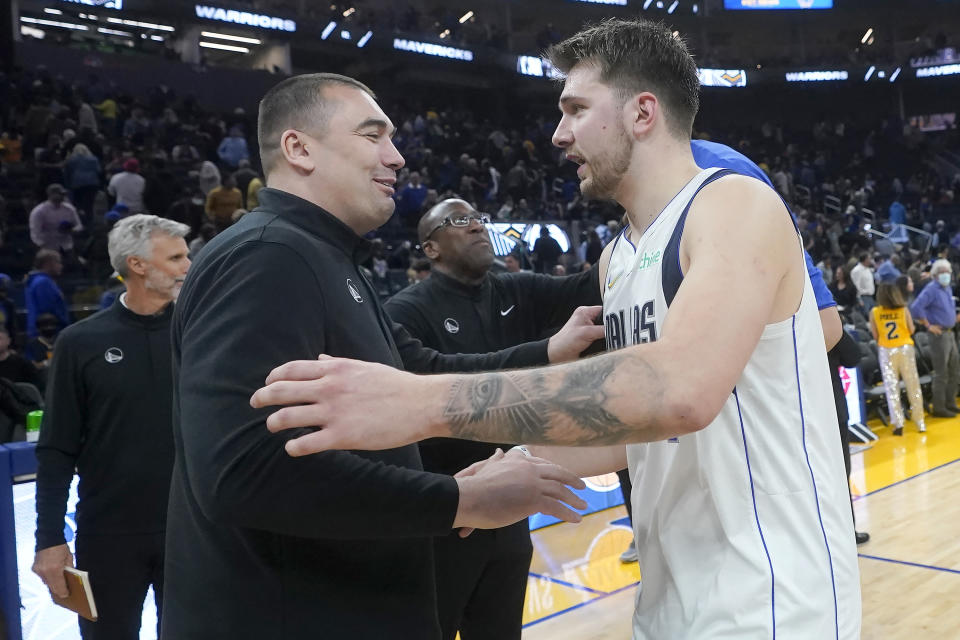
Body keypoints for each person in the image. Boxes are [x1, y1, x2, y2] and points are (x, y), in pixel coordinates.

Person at [252, 21, 862, 639]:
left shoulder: (733, 205)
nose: (558, 133)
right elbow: (630, 428)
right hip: (672, 593)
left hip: (773, 593)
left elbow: (678, 391)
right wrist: (505, 466)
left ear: (642, 113)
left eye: (575, 109)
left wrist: (421, 402)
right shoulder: (620, 256)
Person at [161, 72, 593, 640]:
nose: (396, 157)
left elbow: (418, 383)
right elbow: (242, 471)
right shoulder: (267, 256)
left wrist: (456, 471)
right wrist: (458, 500)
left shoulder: (327, 258)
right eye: (373, 136)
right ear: (299, 149)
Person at [384, 198, 602, 640]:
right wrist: (543, 353)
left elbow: (587, 286)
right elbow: (434, 378)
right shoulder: (405, 310)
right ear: (431, 248)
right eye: (460, 220)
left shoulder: (512, 288)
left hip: (511, 499)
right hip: (447, 505)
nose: (477, 227)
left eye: (481, 219)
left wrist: (641, 220)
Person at [32, 214, 191, 640]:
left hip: (194, 533)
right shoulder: (80, 343)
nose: (188, 266)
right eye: (176, 257)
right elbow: (56, 447)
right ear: (137, 265)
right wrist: (49, 538)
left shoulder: (204, 332)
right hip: (109, 536)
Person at [870, 282, 925, 435]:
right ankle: (920, 422)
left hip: (887, 350)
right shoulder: (903, 310)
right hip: (905, 348)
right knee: (913, 385)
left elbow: (875, 336)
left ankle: (898, 424)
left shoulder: (874, 312)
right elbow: (912, 329)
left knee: (891, 387)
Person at [909, 258, 960, 417]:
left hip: (950, 332)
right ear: (935, 274)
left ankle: (950, 402)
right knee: (941, 372)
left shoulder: (947, 288)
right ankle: (939, 407)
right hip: (938, 336)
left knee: (954, 370)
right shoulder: (931, 289)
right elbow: (916, 308)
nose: (946, 275)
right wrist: (929, 325)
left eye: (948, 272)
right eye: (942, 272)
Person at [25, 250, 71, 338]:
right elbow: (48, 310)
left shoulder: (41, 281)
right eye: (58, 262)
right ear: (48, 263)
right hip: (48, 334)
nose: (61, 266)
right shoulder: (43, 282)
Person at [29, 184, 83, 254]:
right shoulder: (39, 211)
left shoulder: (69, 209)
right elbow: (35, 232)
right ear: (51, 195)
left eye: (64, 194)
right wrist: (42, 247)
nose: (63, 196)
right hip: (48, 247)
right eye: (60, 194)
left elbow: (79, 226)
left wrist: (72, 230)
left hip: (67, 246)